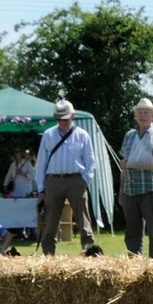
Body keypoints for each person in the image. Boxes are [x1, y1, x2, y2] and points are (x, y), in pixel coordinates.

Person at [34, 99, 97, 256]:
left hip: (76, 180)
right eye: (59, 119)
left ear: (73, 116)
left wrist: (84, 181)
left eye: (65, 119)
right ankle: (49, 257)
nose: (62, 122)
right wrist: (41, 188)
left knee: (84, 222)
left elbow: (90, 162)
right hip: (53, 181)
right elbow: (41, 163)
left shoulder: (83, 135)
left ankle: (89, 253)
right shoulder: (48, 135)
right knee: (50, 223)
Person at [118, 97, 153, 258]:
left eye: (146, 112)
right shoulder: (129, 136)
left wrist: (130, 163)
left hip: (150, 189)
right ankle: (134, 265)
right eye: (140, 112)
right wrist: (121, 190)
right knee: (132, 232)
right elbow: (124, 165)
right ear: (135, 116)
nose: (143, 115)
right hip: (131, 190)